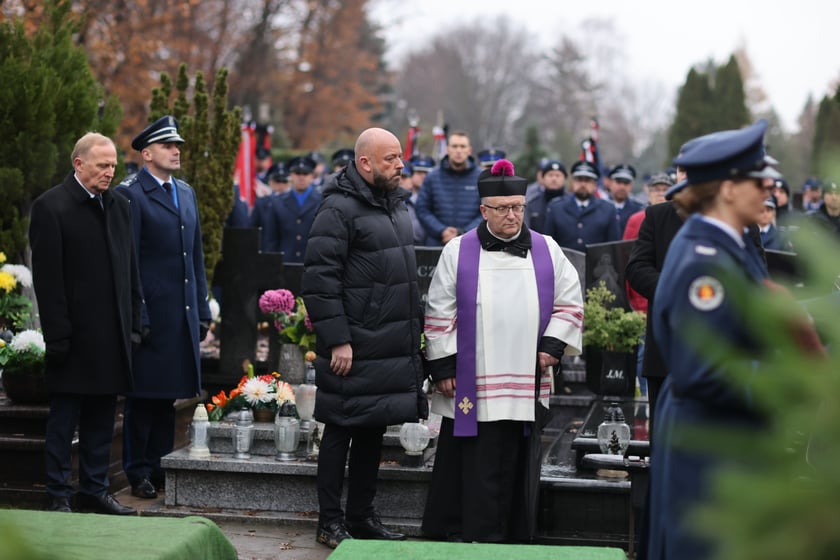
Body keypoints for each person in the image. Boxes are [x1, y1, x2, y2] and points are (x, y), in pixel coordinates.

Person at [646, 119, 809, 559]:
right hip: (709, 447)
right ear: (728, 189)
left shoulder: (728, 247)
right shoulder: (705, 261)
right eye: (760, 179)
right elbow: (705, 370)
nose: (771, 190)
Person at [421, 159, 583, 543]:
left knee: (515, 462)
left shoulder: (548, 250)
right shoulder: (458, 250)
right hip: (471, 382)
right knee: (473, 462)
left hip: (526, 376)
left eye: (518, 207)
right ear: (484, 210)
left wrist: (552, 346)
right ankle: (464, 533)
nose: (512, 215)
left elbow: (571, 303)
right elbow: (439, 310)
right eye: (503, 208)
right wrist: (443, 367)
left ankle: (514, 536)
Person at [302, 127, 426, 549]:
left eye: (400, 157)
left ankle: (361, 514)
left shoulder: (394, 206)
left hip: (385, 343)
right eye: (391, 158)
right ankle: (329, 520)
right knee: (339, 430)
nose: (400, 165)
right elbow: (320, 280)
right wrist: (338, 338)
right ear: (365, 163)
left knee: (373, 428)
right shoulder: (338, 209)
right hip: (352, 346)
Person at [30, 133, 140, 515]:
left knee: (101, 418)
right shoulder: (51, 207)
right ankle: (58, 493)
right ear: (79, 164)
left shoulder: (120, 205)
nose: (110, 172)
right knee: (65, 419)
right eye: (102, 165)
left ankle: (94, 490)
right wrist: (58, 336)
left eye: (113, 165)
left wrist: (136, 324)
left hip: (111, 336)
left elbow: (130, 270)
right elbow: (48, 280)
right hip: (73, 337)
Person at [117, 116, 212, 500]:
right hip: (151, 314)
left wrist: (202, 309)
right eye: (168, 146)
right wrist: (138, 316)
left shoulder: (184, 192)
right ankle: (137, 470)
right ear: (147, 153)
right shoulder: (131, 194)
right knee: (144, 398)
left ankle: (158, 466)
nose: (176, 151)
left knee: (168, 397)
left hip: (181, 313)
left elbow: (196, 258)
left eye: (178, 146)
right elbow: (130, 263)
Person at [415, 130, 483, 246]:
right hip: (437, 243)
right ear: (447, 149)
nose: (458, 150)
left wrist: (464, 233)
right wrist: (441, 230)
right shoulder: (432, 177)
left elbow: (487, 211)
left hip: (470, 244)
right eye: (454, 146)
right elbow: (422, 209)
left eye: (462, 146)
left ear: (469, 150)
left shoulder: (481, 178)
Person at [542, 160, 621, 252]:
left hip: (595, 264)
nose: (583, 184)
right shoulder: (556, 207)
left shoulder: (608, 209)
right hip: (564, 264)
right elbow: (548, 246)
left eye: (587, 180)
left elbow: (614, 247)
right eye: (579, 179)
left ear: (595, 184)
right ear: (572, 182)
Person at [261, 155, 322, 263]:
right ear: (290, 175)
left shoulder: (322, 201)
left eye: (305, 173)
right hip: (284, 263)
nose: (301, 177)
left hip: (312, 264)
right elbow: (270, 239)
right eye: (297, 173)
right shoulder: (277, 202)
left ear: (312, 176)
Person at [524, 159, 567, 233]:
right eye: (550, 175)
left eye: (558, 175)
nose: (554, 179)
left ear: (564, 179)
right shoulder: (532, 203)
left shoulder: (571, 203)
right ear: (543, 178)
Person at [608, 164, 645, 234]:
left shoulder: (638, 209)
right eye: (618, 182)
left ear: (631, 186)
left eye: (626, 183)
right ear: (610, 184)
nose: (622, 187)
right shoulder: (601, 208)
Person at [399, 161, 427, 245]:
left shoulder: (421, 202)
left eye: (404, 177)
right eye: (397, 176)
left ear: (412, 179)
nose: (399, 180)